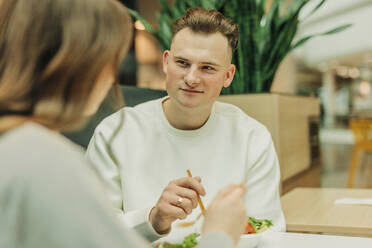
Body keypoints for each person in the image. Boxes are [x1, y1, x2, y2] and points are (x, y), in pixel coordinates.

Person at [0, 1, 247, 248]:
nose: (112, 78)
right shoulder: (47, 163)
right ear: (80, 65)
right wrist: (219, 234)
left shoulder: (16, 150)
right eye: (111, 59)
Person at [86, 7, 286, 244]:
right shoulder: (115, 133)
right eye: (182, 63)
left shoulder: (253, 138)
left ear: (228, 76)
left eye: (207, 68)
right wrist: (152, 219)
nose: (191, 78)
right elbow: (89, 228)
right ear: (166, 62)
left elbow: (267, 231)